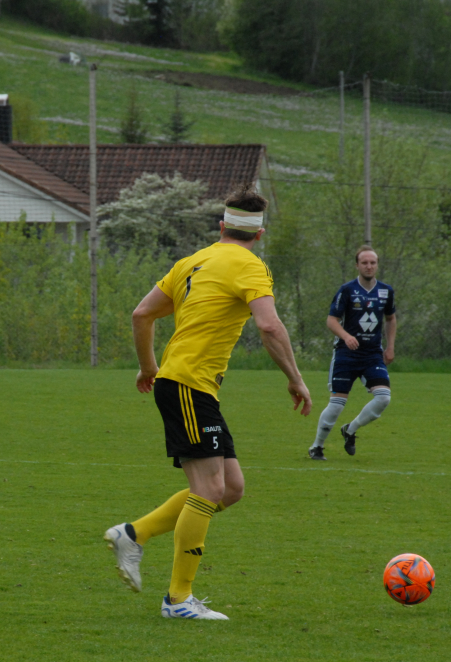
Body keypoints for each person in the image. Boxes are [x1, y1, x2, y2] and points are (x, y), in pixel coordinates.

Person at [103, 184, 311, 620]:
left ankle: (134, 533)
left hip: (185, 384)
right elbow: (270, 327)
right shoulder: (251, 265)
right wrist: (295, 379)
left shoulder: (192, 262)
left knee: (230, 489)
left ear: (221, 227)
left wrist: (148, 368)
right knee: (210, 490)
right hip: (189, 385)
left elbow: (142, 314)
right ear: (259, 234)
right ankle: (178, 600)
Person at [307, 247, 396, 461]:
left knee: (383, 398)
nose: (369, 266)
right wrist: (346, 336)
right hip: (346, 354)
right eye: (364, 262)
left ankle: (350, 429)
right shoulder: (347, 290)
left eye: (372, 262)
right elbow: (331, 320)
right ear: (357, 265)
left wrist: (390, 347)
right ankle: (317, 447)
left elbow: (391, 319)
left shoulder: (386, 291)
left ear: (377, 265)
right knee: (337, 404)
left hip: (372, 355)